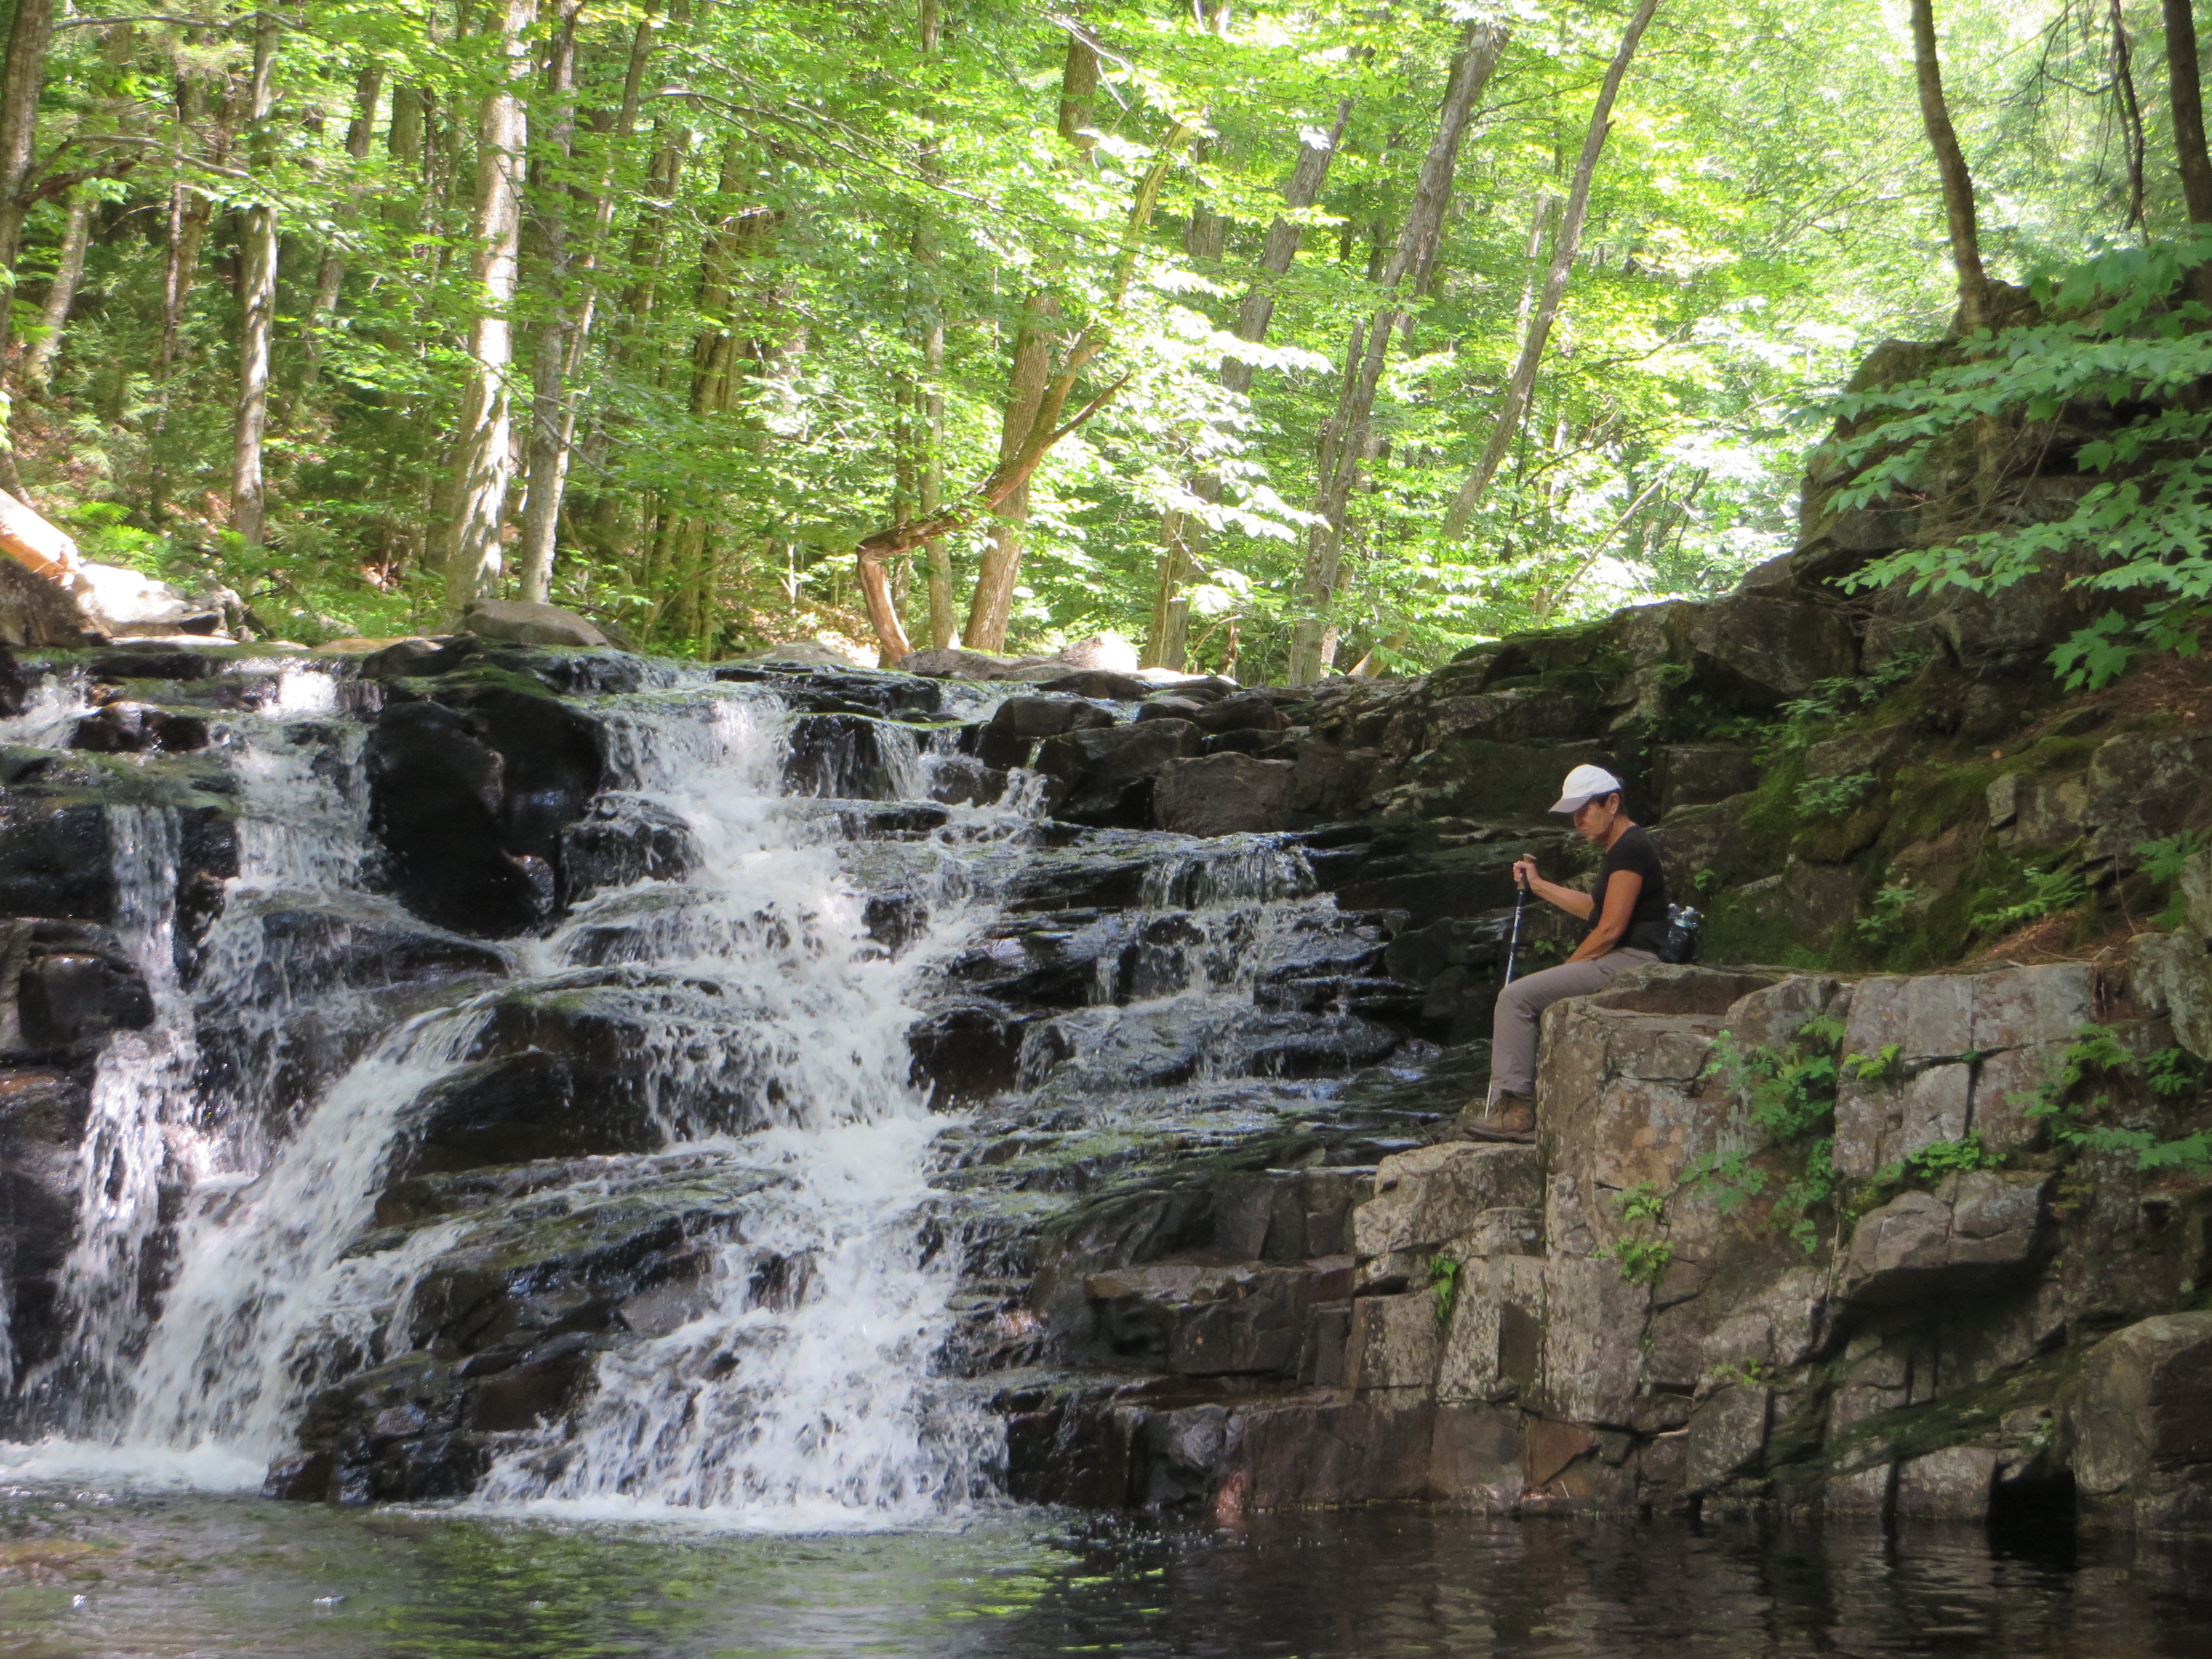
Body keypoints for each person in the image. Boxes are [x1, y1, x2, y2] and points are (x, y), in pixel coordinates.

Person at [1465, 763, 1668, 1144]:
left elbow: (1610, 929)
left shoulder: (1631, 848)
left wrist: (1571, 966)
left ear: (1612, 802)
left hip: (1633, 960)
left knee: (1515, 998)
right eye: (1573, 813)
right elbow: (1595, 909)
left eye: (1584, 810)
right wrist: (1539, 885)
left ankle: (1519, 1110)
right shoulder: (1622, 847)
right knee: (1524, 995)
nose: (1577, 821)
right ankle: (1516, 1102)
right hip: (1625, 956)